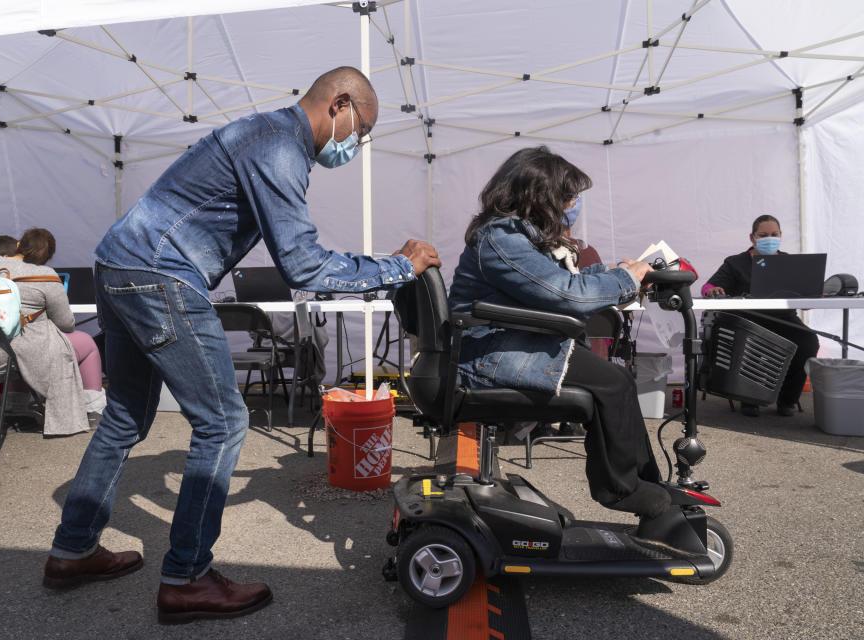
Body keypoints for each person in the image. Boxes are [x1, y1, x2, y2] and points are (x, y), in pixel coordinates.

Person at [44, 66, 441, 624]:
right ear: (341, 104)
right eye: (363, 130)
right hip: (160, 273)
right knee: (224, 422)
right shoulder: (280, 146)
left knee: (126, 417)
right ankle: (186, 579)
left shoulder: (262, 135)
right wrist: (400, 266)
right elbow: (303, 263)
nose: (357, 144)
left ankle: (72, 552)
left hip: (119, 264)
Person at [448, 146, 671, 526]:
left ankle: (642, 482)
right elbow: (563, 293)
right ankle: (624, 488)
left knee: (614, 382)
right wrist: (625, 280)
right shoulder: (502, 238)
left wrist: (615, 274)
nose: (574, 205)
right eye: (569, 197)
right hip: (490, 354)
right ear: (540, 197)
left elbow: (554, 281)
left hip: (505, 344)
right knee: (613, 384)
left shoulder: (515, 235)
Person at [0, 228, 98, 436]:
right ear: (49, 256)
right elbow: (65, 324)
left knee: (18, 341)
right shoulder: (46, 275)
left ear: (19, 244)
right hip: (22, 356)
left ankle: (13, 407)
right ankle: (92, 409)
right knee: (84, 342)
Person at [702, 214, 819, 416]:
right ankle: (749, 399)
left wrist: (811, 295)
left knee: (808, 342)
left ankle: (787, 399)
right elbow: (708, 286)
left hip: (784, 319)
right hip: (749, 320)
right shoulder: (735, 263)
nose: (769, 238)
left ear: (781, 235)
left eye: (774, 234)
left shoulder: (790, 263)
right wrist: (713, 291)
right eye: (763, 235)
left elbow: (807, 298)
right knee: (749, 340)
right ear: (752, 237)